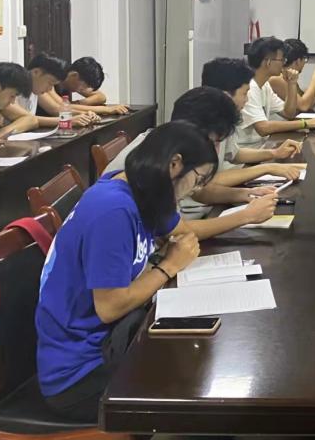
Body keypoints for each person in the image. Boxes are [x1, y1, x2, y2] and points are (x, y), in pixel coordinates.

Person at [35, 121, 270, 422]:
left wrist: (242, 212)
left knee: (210, 357)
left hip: (115, 338)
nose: (195, 190)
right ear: (175, 165)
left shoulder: (145, 192)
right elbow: (109, 307)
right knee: (207, 391)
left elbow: (182, 233)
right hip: (80, 372)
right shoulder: (113, 210)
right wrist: (168, 266)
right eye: (197, 180)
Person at [107, 80, 302, 209]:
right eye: (245, 93)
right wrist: (246, 215)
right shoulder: (154, 162)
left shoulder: (170, 146)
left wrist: (246, 194)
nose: (214, 150)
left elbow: (200, 193)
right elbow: (177, 229)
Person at [237, 36, 315, 145]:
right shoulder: (249, 87)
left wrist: (291, 84)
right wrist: (305, 123)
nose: (284, 63)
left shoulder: (264, 86)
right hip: (248, 151)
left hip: (260, 147)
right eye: (282, 60)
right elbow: (263, 128)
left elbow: (289, 113)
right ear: (268, 62)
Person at [0, 54, 99, 130]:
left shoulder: (35, 89)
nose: (49, 89)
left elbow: (55, 110)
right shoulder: (10, 87)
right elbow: (29, 119)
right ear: (36, 72)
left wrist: (84, 114)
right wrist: (66, 120)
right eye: (50, 83)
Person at [37, 56, 129, 117]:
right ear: (74, 75)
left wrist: (78, 103)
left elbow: (101, 97)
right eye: (81, 88)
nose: (81, 90)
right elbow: (59, 107)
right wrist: (106, 110)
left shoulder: (74, 79)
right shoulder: (52, 76)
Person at [268, 38, 315, 113]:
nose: (305, 63)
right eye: (305, 59)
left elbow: (310, 104)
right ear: (298, 61)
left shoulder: (290, 76)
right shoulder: (277, 78)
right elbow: (303, 106)